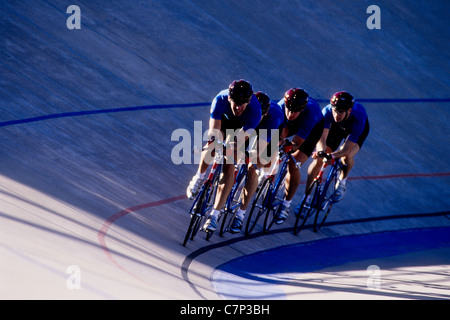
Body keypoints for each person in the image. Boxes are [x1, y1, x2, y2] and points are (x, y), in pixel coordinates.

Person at [186, 79, 262, 232]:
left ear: (248, 102)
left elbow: (240, 139)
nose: (239, 108)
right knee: (212, 144)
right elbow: (214, 131)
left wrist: (231, 147)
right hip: (225, 123)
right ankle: (199, 177)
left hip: (242, 129)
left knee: (230, 165)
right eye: (235, 104)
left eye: (243, 105)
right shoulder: (220, 99)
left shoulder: (255, 111)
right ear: (229, 98)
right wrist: (215, 142)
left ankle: (214, 215)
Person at [228, 91, 285, 233]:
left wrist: (251, 157)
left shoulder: (273, 117)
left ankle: (240, 215)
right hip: (249, 125)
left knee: (254, 165)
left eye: (261, 115)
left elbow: (261, 146)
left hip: (270, 131)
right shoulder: (248, 111)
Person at [305, 91, 369, 202]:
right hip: (336, 127)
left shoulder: (358, 117)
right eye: (335, 110)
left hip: (354, 129)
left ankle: (342, 181)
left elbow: (347, 149)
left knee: (347, 156)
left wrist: (333, 156)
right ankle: (306, 197)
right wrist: (321, 151)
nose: (336, 115)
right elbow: (322, 138)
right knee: (319, 160)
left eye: (340, 112)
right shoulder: (327, 112)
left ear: (349, 110)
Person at [273, 88, 324, 225]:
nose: (290, 113)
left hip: (312, 131)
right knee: (274, 144)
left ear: (301, 110)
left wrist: (288, 146)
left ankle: (286, 204)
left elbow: (296, 143)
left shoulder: (311, 114)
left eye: (294, 111)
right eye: (288, 109)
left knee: (293, 163)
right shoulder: (280, 107)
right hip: (291, 125)